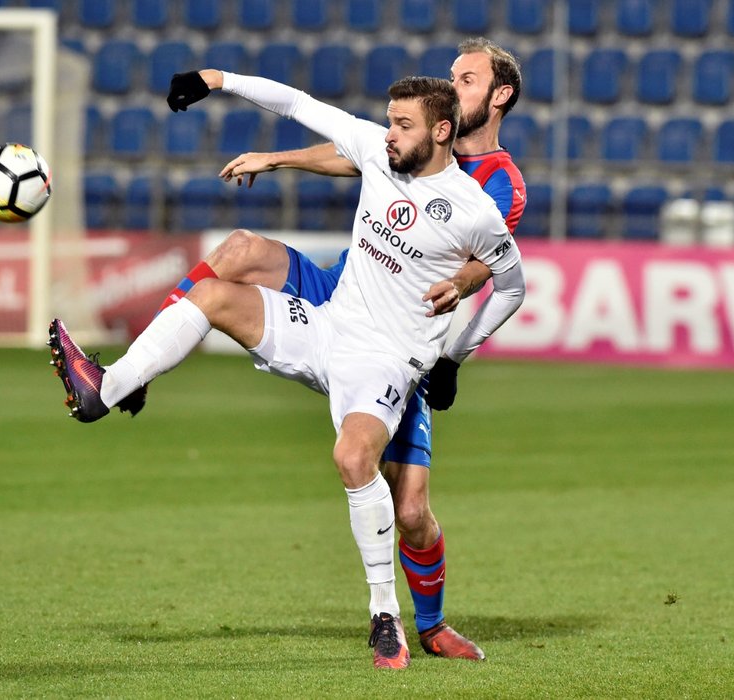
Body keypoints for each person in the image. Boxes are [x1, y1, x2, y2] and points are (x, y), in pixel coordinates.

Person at [49, 68, 526, 669]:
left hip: (386, 360)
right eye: (388, 122)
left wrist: (457, 349)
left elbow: (510, 284)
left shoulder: (480, 203)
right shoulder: (380, 152)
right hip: (330, 325)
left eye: (401, 125)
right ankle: (109, 386)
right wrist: (215, 79)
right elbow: (299, 101)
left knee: (371, 474)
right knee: (214, 293)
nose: (388, 135)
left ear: (438, 131)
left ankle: (390, 620)